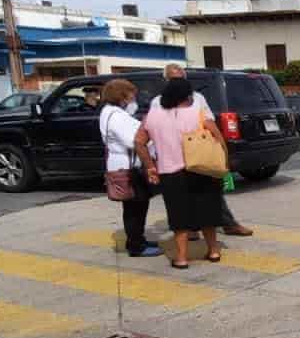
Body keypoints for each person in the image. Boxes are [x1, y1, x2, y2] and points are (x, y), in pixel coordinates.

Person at [135, 78, 228, 269]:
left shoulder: (152, 115)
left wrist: (150, 166)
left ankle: (182, 257)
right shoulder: (198, 113)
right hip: (202, 169)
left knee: (178, 216)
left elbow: (138, 142)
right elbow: (218, 138)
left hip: (170, 173)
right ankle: (213, 251)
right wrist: (224, 164)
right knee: (207, 211)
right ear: (187, 95)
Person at [151, 64, 254, 237]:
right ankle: (192, 229)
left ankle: (227, 223)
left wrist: (221, 151)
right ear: (166, 80)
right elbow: (155, 129)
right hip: (174, 154)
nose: (178, 82)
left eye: (181, 78)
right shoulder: (158, 101)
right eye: (174, 78)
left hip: (198, 149)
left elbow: (209, 121)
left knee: (210, 191)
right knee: (182, 194)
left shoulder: (197, 98)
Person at [98, 79, 160, 258]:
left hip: (126, 164)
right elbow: (134, 140)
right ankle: (136, 246)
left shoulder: (112, 113)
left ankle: (137, 239)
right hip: (128, 168)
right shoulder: (116, 116)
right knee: (135, 207)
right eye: (131, 93)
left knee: (137, 206)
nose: (134, 97)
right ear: (122, 95)